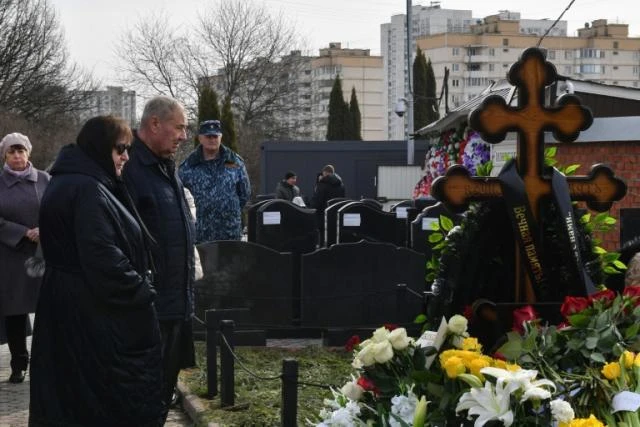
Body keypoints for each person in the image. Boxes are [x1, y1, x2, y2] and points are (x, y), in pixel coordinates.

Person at [29, 116, 164, 426]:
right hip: (92, 314)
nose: (126, 157)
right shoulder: (88, 187)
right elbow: (102, 257)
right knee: (96, 403)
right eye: (120, 149)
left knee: (70, 401)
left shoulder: (70, 180)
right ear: (101, 148)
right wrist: (141, 289)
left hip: (67, 306)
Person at [122, 96, 196, 416]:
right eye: (178, 127)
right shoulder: (130, 169)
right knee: (142, 400)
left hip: (175, 305)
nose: (183, 136)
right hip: (149, 309)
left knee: (161, 396)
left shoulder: (166, 167)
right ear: (154, 124)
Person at [0, 133, 49, 384]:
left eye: (21, 151)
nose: (17, 156)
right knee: (15, 312)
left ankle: (46, 362)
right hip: (10, 255)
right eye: (12, 152)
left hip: (42, 253)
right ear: (5, 155)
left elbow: (57, 208)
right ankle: (19, 363)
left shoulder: (44, 179)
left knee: (47, 309)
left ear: (28, 152)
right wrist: (20, 232)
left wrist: (43, 228)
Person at [179, 119, 251, 243]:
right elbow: (181, 198)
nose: (212, 139)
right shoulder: (188, 166)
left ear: (220, 137)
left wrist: (229, 211)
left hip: (230, 233)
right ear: (200, 138)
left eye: (215, 136)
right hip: (201, 235)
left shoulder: (235, 162)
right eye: (208, 136)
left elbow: (244, 193)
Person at [310, 164, 346, 244]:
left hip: (322, 216)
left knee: (322, 238)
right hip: (336, 215)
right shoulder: (341, 185)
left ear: (324, 173)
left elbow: (317, 201)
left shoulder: (322, 185)